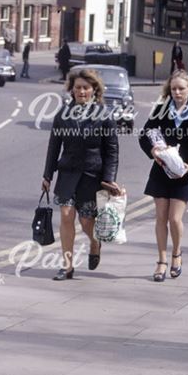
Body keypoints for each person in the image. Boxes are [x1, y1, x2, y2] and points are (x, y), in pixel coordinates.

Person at [42, 70, 121, 280]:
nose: (81, 91)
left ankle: (95, 243)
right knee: (66, 216)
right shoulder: (62, 115)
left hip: (91, 176)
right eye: (77, 87)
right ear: (72, 90)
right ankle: (67, 266)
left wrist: (109, 178)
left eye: (86, 87)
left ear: (94, 90)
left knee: (87, 222)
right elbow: (54, 146)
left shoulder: (104, 115)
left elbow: (112, 150)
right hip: (67, 173)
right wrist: (47, 175)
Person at [139, 71, 188, 282]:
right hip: (160, 172)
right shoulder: (160, 112)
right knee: (160, 217)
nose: (177, 92)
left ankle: (176, 254)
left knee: (174, 218)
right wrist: (152, 151)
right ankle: (161, 261)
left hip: (184, 174)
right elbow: (144, 136)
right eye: (173, 89)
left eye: (181, 89)